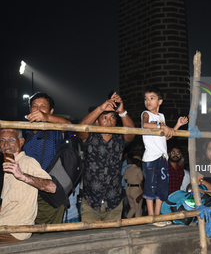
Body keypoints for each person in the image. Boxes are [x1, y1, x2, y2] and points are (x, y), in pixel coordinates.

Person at [78, 92, 135, 222]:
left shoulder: (119, 139)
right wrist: (101, 108)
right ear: (97, 122)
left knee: (113, 239)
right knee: (91, 239)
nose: (109, 121)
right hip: (91, 202)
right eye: (104, 118)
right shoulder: (90, 138)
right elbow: (80, 130)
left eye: (112, 118)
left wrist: (122, 112)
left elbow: (131, 133)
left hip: (114, 202)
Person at [141, 86, 188, 226]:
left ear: (160, 101)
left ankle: (158, 216)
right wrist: (163, 127)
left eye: (152, 98)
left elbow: (166, 136)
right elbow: (144, 124)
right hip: (150, 158)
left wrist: (177, 125)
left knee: (162, 187)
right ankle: (151, 217)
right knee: (151, 187)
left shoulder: (161, 117)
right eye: (146, 98)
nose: (148, 101)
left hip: (162, 157)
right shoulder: (146, 114)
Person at [0, 128, 56, 243]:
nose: (6, 144)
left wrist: (22, 175)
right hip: (4, 224)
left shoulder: (27, 162)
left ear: (21, 142)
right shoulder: (9, 165)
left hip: (15, 230)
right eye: (2, 140)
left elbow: (52, 187)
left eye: (11, 140)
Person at [23, 92, 71, 225]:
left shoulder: (55, 130)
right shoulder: (25, 132)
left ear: (51, 111)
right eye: (34, 106)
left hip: (50, 194)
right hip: (28, 193)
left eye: (43, 106)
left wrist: (46, 117)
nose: (38, 110)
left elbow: (68, 124)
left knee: (50, 237)